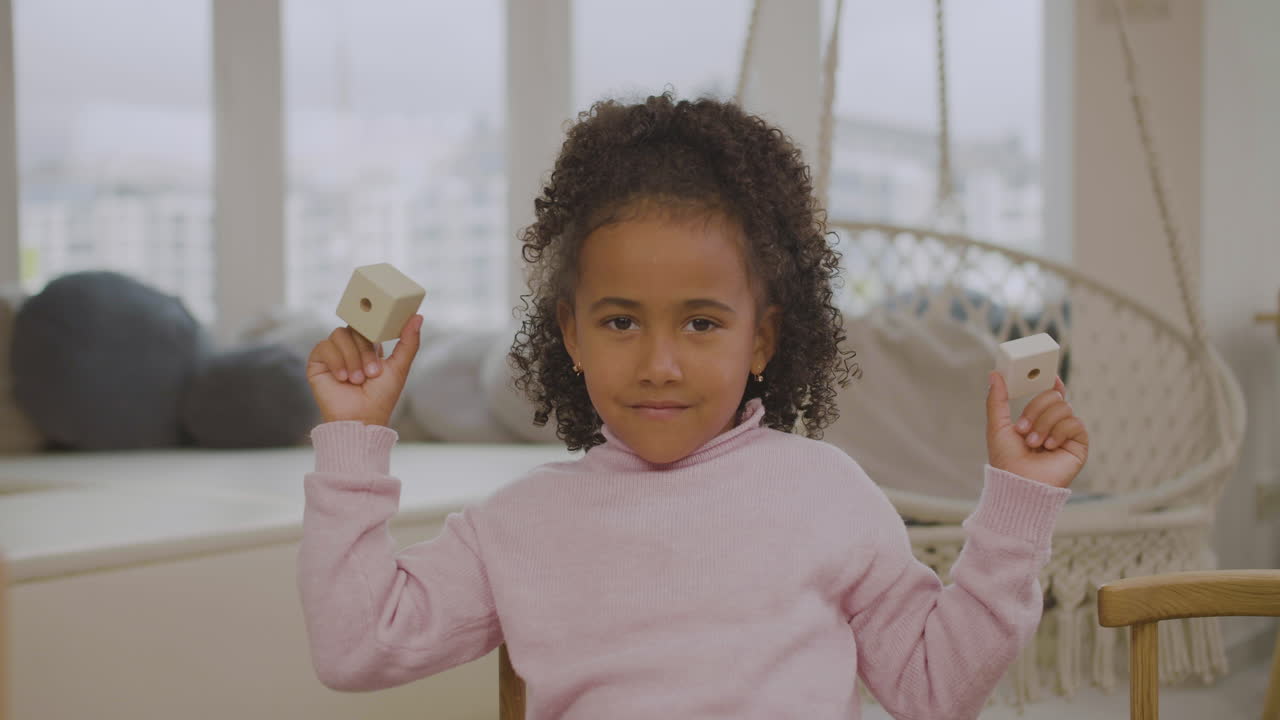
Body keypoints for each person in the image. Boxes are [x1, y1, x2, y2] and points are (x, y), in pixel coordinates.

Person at [299, 93, 1088, 719]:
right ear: (571, 334)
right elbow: (357, 648)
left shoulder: (829, 493)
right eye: (620, 322)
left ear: (762, 339)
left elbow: (937, 692)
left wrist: (1018, 511)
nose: (660, 364)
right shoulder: (517, 524)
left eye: (702, 323)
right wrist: (353, 441)